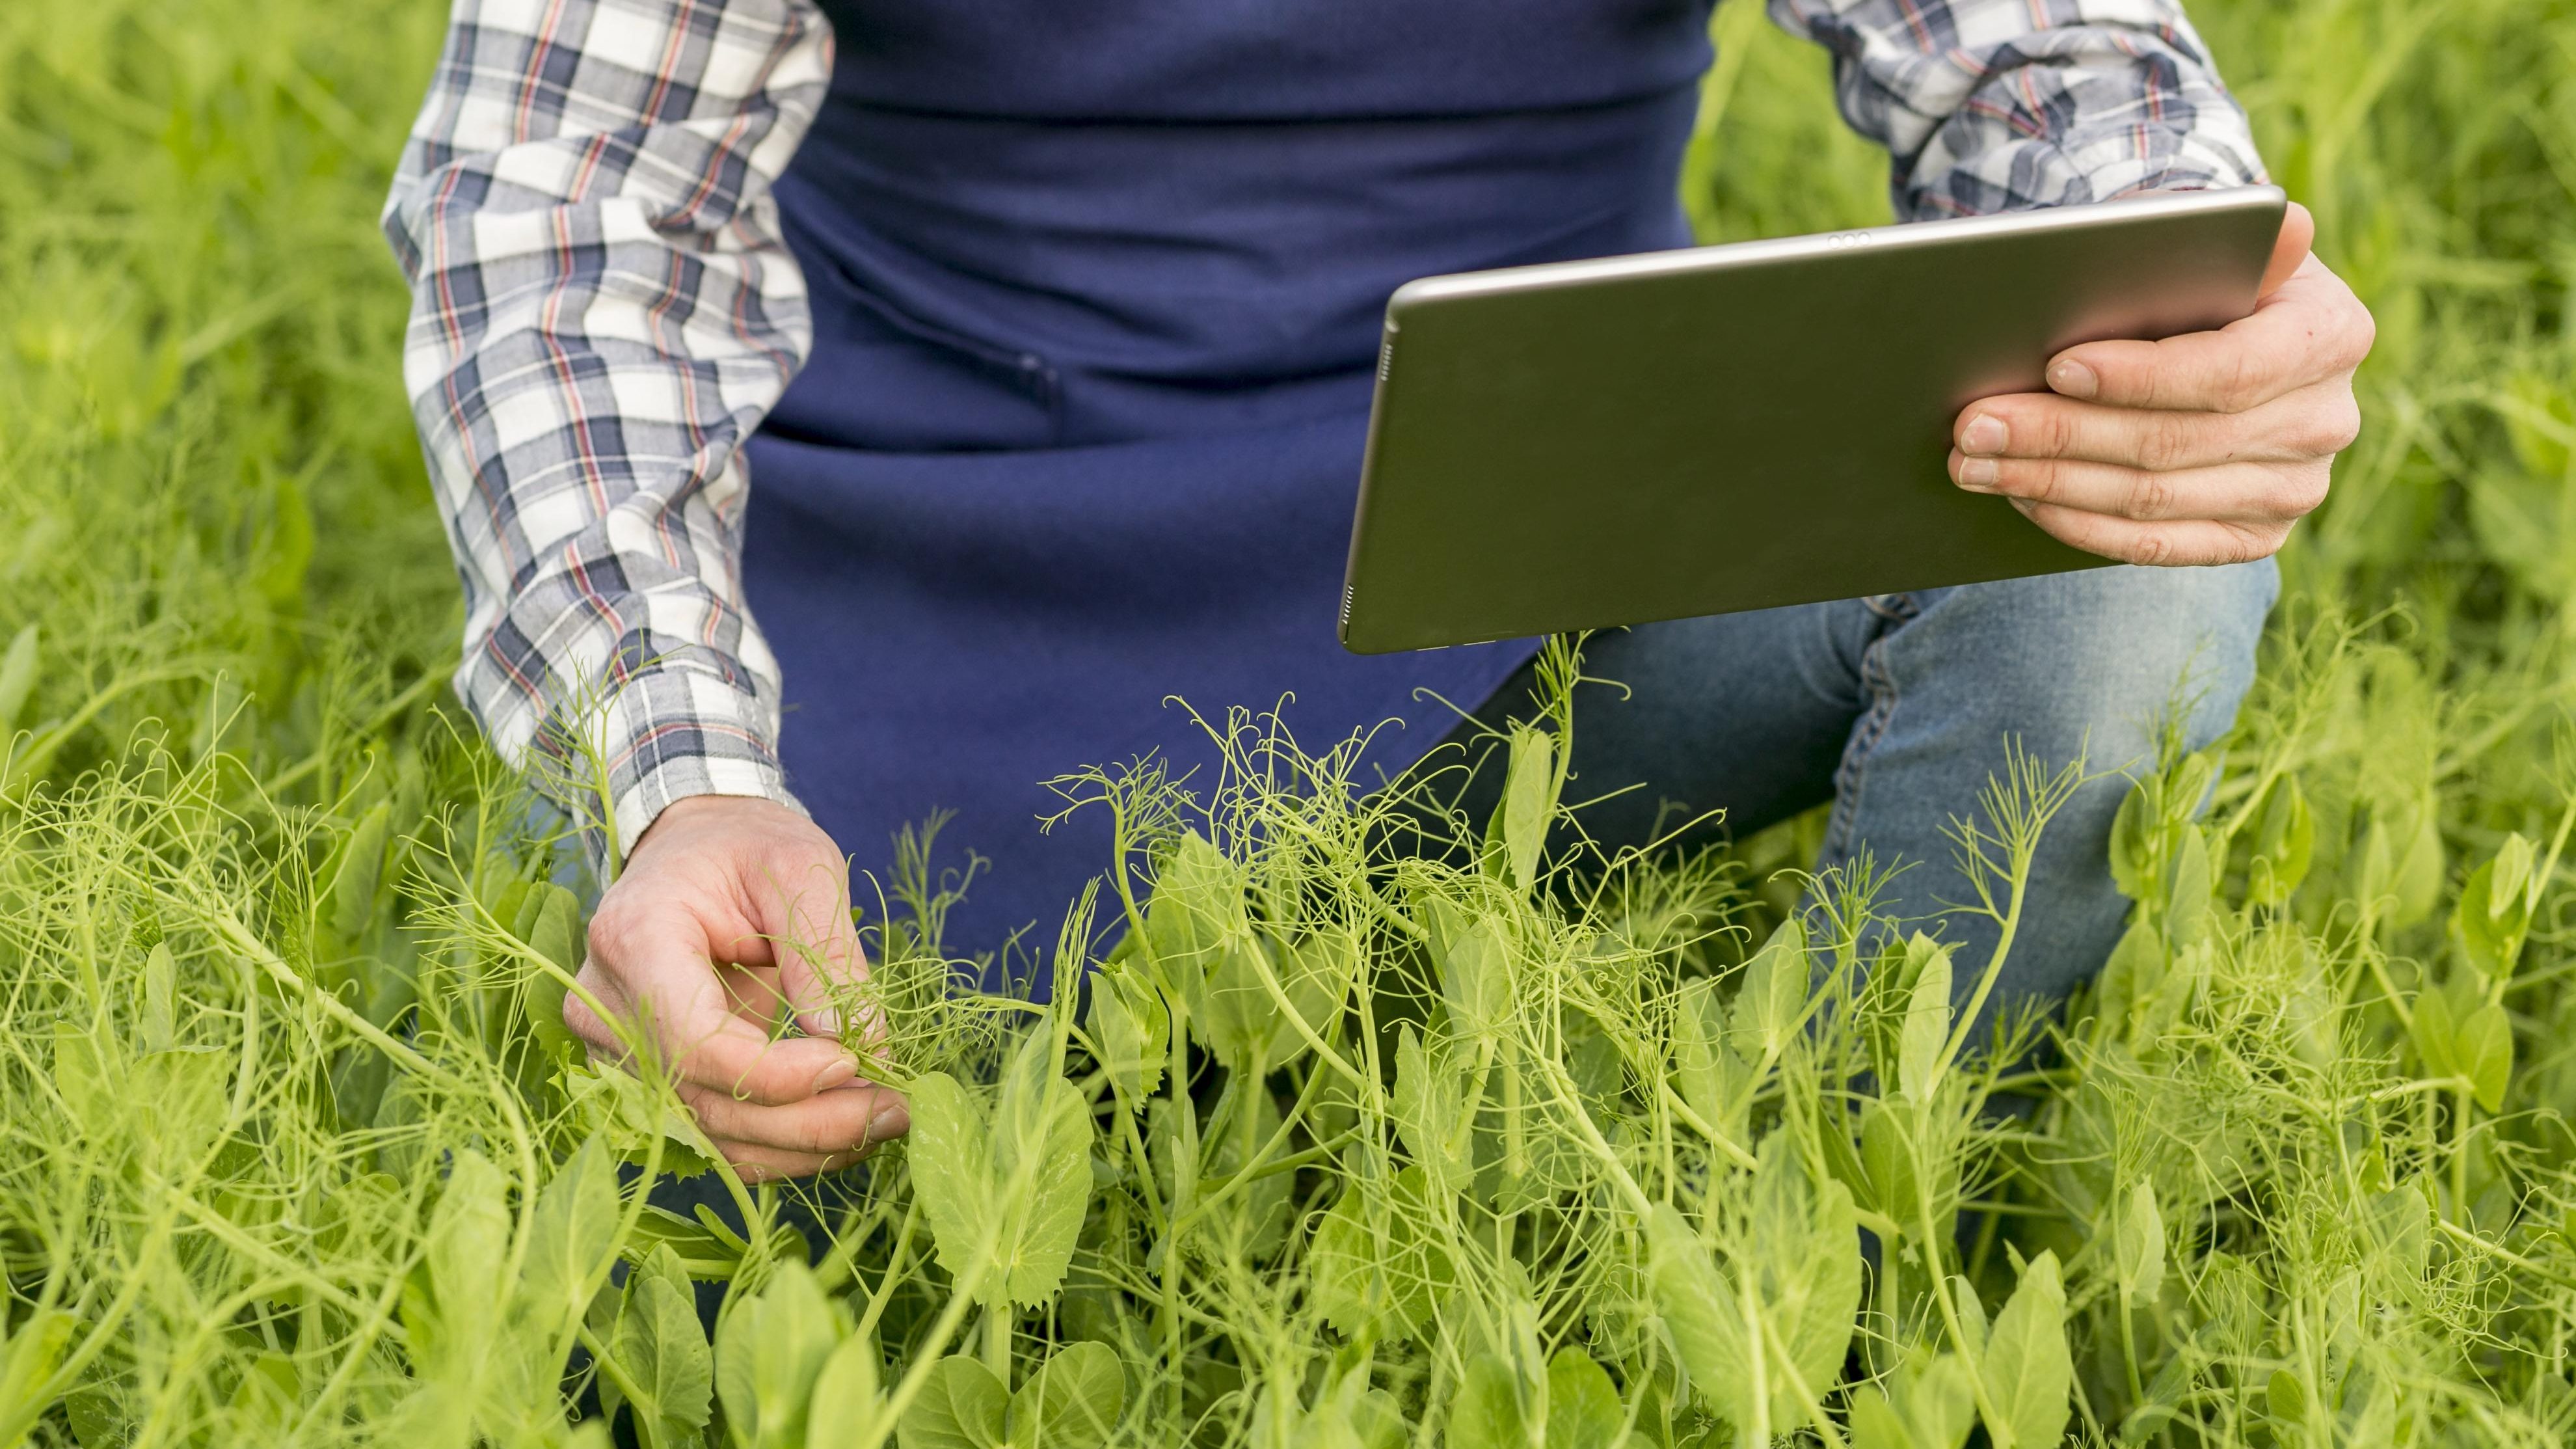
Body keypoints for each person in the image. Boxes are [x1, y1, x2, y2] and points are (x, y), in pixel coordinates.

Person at [383, 0, 2372, 1180]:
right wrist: (679, 773)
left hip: (1546, 597)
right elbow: (558, 222)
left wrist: (2194, 311)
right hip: (906, 649)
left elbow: (2066, 73)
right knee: (739, 1248)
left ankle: (1811, 1293)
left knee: (2130, 541)